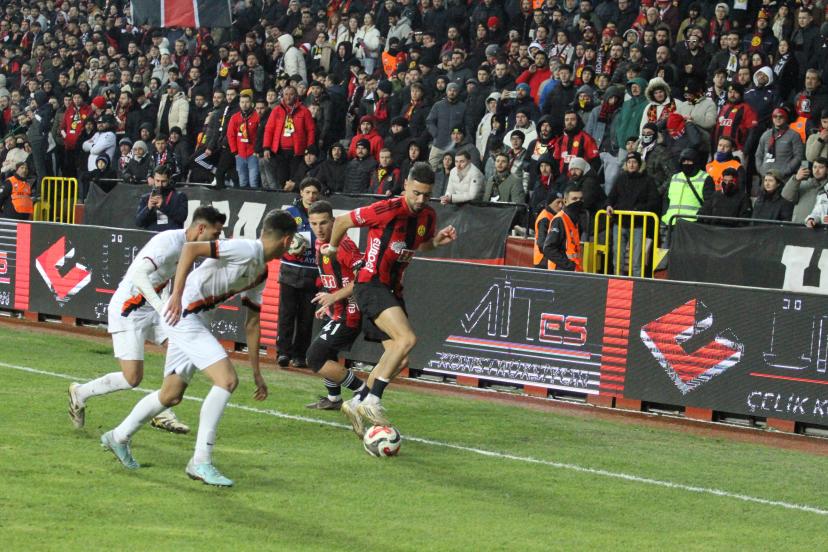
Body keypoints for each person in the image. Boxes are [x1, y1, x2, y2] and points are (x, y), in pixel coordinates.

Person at [100, 209, 297, 486]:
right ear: (287, 240)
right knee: (227, 380)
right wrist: (176, 295)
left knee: (170, 395)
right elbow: (191, 249)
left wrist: (257, 372)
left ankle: (118, 436)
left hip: (197, 318)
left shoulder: (261, 272)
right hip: (184, 315)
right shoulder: (245, 249)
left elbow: (252, 324)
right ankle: (200, 461)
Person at [322, 162, 457, 434]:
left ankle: (357, 402)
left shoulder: (428, 216)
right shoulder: (387, 209)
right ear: (405, 185)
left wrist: (436, 242)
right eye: (416, 193)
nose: (420, 200)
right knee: (406, 340)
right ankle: (373, 400)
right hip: (370, 284)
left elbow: (421, 245)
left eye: (426, 195)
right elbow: (343, 220)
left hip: (392, 290)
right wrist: (333, 249)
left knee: (400, 357)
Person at [68, 207, 226, 433]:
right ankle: (80, 393)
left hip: (152, 308)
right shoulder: (169, 243)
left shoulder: (189, 247)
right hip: (129, 309)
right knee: (132, 378)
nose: (216, 240)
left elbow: (162, 278)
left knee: (181, 347)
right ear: (201, 228)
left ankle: (162, 409)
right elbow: (138, 276)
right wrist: (162, 307)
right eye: (215, 234)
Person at [304, 200, 368, 410]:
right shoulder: (320, 244)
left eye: (323, 223)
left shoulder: (344, 246)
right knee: (326, 355)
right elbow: (336, 279)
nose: (319, 228)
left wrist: (334, 298)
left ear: (333, 221)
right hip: (337, 311)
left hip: (350, 313)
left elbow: (363, 280)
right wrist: (329, 303)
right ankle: (333, 399)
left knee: (315, 358)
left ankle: (364, 393)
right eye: (314, 224)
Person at [277, 178, 320, 368]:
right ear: (301, 192)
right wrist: (290, 247)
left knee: (306, 318)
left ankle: (299, 355)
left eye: (314, 193)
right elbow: (277, 237)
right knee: (286, 314)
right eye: (308, 192)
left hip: (312, 273)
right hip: (289, 270)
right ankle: (283, 353)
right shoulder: (289, 213)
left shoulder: (322, 215)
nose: (311, 196)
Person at [606, 152, 660, 277]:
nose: (631, 165)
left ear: (639, 164)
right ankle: (617, 282)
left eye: (634, 162)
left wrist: (638, 209)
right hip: (620, 222)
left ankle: (637, 284)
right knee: (617, 258)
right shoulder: (620, 178)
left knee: (637, 260)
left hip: (638, 224)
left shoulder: (648, 180)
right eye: (629, 162)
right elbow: (611, 197)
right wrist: (608, 205)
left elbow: (654, 201)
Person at [263, 85, 316, 191]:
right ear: (282, 95)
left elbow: (311, 130)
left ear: (296, 96)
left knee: (294, 180)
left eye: (291, 94)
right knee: (282, 179)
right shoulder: (276, 110)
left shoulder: (304, 111)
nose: (288, 97)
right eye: (286, 94)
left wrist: (310, 147)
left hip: (297, 152)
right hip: (280, 152)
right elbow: (269, 129)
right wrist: (266, 147)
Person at [661, 148, 715, 232]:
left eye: (689, 161)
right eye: (684, 161)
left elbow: (709, 202)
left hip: (692, 225)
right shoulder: (675, 177)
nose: (686, 164)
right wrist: (664, 218)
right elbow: (667, 199)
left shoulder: (705, 178)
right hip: (671, 223)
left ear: (695, 162)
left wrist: (699, 219)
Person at [541, 184, 584, 272]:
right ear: (565, 201)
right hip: (561, 271)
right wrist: (570, 266)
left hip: (571, 271)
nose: (578, 202)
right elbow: (548, 249)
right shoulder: (559, 220)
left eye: (580, 199)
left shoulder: (574, 220)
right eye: (574, 199)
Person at [136, 165, 188, 232]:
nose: (160, 184)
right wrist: (148, 208)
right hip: (152, 237)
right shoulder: (146, 198)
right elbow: (138, 223)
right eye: (157, 181)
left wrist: (163, 205)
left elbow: (182, 218)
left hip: (171, 236)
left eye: (163, 181)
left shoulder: (180, 196)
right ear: (154, 179)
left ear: (169, 180)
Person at [226, 91, 260, 188]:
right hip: (240, 154)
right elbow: (230, 135)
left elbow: (260, 135)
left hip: (253, 154)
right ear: (239, 103)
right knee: (242, 182)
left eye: (247, 102)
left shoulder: (257, 116)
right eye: (242, 102)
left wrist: (257, 150)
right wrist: (235, 152)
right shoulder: (235, 117)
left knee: (253, 181)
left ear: (251, 103)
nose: (244, 104)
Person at [783, 158, 828, 223]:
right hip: (799, 225)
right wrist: (796, 179)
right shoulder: (803, 184)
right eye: (814, 167)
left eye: (821, 167)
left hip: (821, 227)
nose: (817, 170)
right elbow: (786, 195)